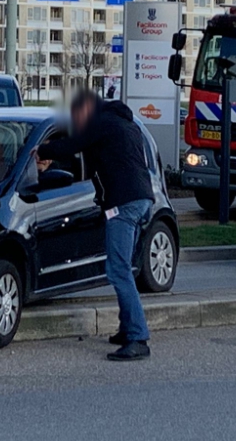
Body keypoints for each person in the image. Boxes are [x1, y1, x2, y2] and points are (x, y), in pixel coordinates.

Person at [36, 89, 154, 361]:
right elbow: (89, 157)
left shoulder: (99, 123)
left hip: (123, 204)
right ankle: (127, 329)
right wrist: (55, 158)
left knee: (118, 270)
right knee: (124, 268)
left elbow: (72, 145)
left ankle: (138, 337)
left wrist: (40, 150)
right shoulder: (125, 124)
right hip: (142, 199)